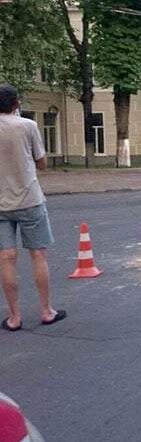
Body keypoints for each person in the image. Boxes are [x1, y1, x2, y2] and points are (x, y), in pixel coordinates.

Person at [0, 84, 65, 332]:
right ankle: (46, 311)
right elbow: (42, 163)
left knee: (6, 258)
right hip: (29, 199)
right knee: (38, 254)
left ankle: (14, 317)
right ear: (16, 103)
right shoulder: (28, 126)